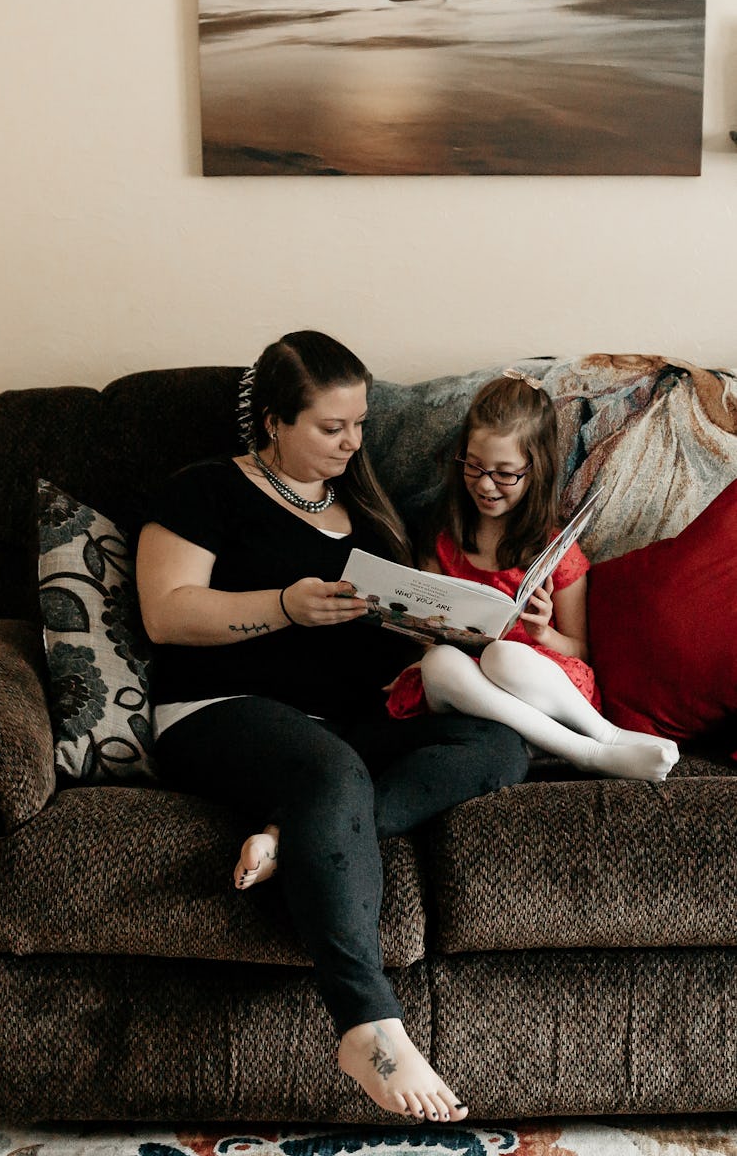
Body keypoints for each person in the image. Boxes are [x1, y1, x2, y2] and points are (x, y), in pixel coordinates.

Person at [136, 331, 529, 1123]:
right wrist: (285, 605)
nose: (353, 443)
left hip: (347, 726)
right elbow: (167, 613)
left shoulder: (371, 510)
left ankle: (295, 832)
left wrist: (457, 627)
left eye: (360, 425)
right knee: (331, 772)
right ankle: (367, 1027)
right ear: (275, 420)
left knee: (496, 743)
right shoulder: (205, 491)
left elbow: (398, 625)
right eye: (331, 427)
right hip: (218, 713)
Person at [386, 371, 679, 781]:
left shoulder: (556, 550)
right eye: (474, 466)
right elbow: (428, 631)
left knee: (504, 654)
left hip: (540, 692)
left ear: (535, 469)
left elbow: (580, 650)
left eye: (505, 473)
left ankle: (603, 738)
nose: (486, 485)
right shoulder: (442, 540)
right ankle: (589, 750)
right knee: (437, 663)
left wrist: (543, 634)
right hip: (470, 698)